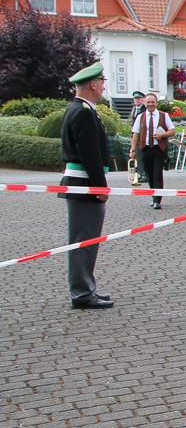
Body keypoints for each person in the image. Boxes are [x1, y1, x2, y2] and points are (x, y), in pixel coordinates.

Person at [61, 62, 114, 310]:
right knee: (83, 241)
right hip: (84, 185)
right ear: (93, 84)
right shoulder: (82, 111)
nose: (103, 87)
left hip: (82, 184)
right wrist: (99, 187)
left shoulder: (80, 109)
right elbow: (89, 154)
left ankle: (85, 287)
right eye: (102, 82)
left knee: (87, 241)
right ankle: (82, 292)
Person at [129, 93, 175, 210]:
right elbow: (136, 134)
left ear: (156, 103)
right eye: (148, 102)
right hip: (145, 149)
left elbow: (172, 131)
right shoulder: (140, 117)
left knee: (157, 174)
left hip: (159, 149)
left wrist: (162, 135)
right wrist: (133, 150)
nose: (150, 104)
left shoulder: (163, 116)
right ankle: (154, 196)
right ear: (145, 103)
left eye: (152, 102)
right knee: (149, 174)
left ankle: (157, 200)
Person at [128, 90, 148, 184]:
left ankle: (144, 173)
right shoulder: (134, 109)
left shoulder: (145, 109)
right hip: (136, 135)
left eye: (138, 98)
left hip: (142, 135)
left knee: (142, 155)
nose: (136, 100)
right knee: (138, 155)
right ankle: (140, 173)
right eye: (135, 98)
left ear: (143, 100)